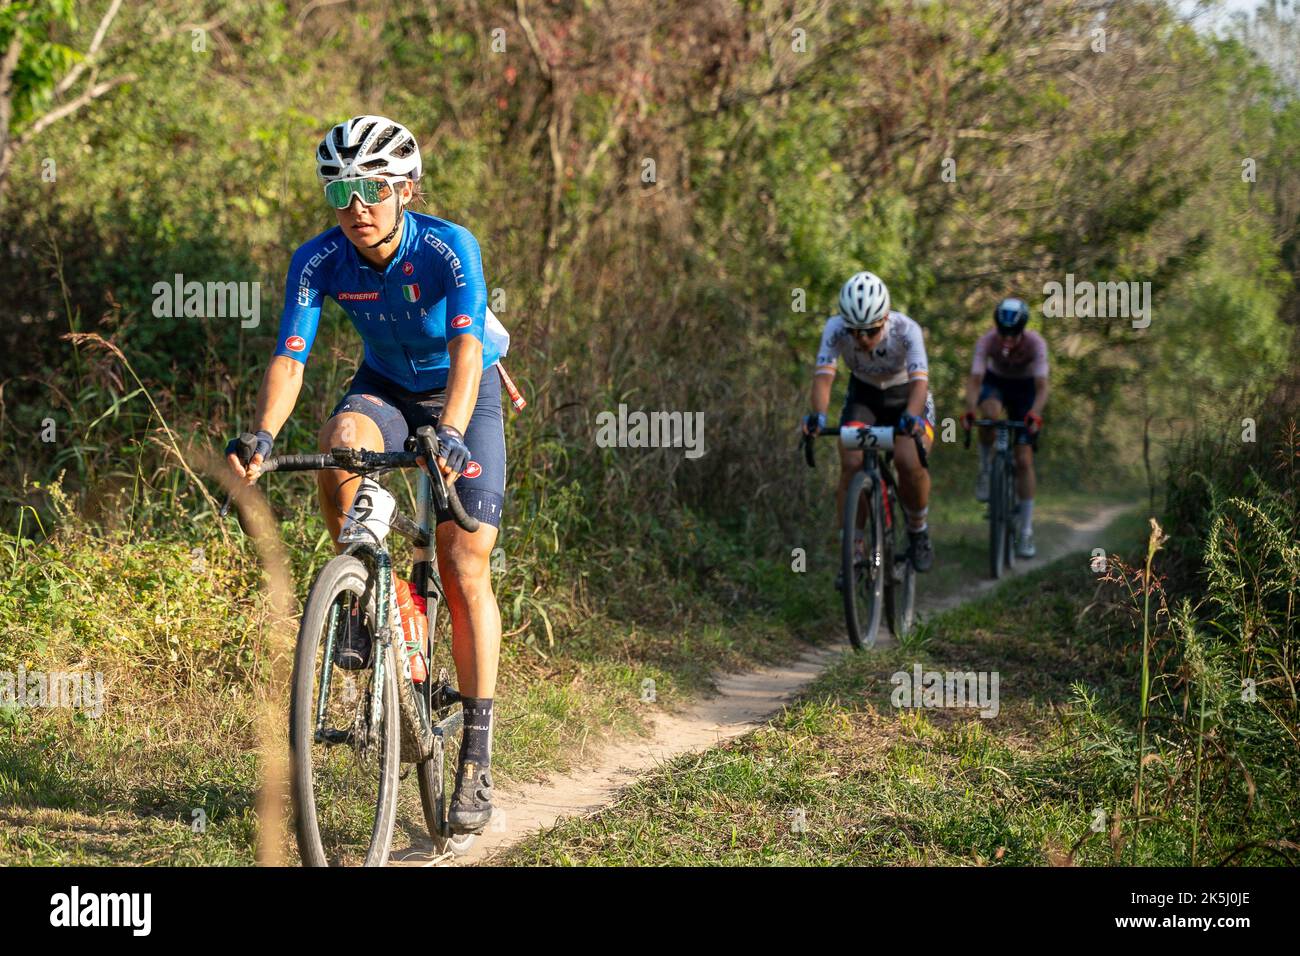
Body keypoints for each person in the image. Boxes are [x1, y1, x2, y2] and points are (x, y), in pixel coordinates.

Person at [224, 115, 504, 833]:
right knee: (342, 439)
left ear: (405, 188)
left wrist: (447, 432)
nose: (357, 204)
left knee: (463, 560)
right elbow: (293, 356)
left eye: (373, 187)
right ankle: (361, 585)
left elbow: (469, 352)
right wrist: (262, 435)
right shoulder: (318, 260)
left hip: (460, 396)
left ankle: (476, 754)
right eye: (341, 189)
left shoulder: (448, 247)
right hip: (383, 384)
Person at [801, 271, 936, 576]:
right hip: (865, 398)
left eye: (871, 331)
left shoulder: (906, 330)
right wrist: (819, 415)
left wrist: (912, 418)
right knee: (851, 462)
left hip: (907, 398)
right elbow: (823, 378)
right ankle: (855, 547)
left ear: (885, 318)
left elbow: (920, 385)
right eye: (855, 331)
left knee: (907, 459)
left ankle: (918, 530)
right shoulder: (835, 329)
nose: (861, 339)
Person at [961, 296, 1048, 558]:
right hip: (996, 383)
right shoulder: (986, 341)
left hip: (1025, 390)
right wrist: (969, 409)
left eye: (1014, 333)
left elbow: (1043, 388)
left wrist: (1035, 413)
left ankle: (1025, 532)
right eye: (1003, 332)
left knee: (1023, 460)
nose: (1008, 338)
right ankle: (987, 469)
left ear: (1023, 329)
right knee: (989, 414)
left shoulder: (1036, 343)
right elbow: (975, 381)